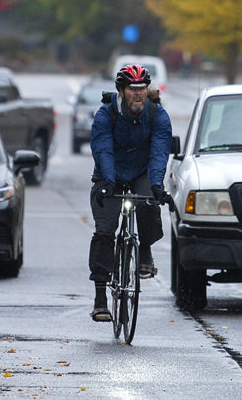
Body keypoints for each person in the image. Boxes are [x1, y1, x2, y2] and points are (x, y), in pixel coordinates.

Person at [88, 63, 173, 322]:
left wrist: (157, 184)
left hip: (142, 171)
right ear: (121, 91)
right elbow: (103, 150)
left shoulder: (157, 115)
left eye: (142, 88)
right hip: (109, 173)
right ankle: (101, 298)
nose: (138, 94)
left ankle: (145, 248)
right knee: (104, 232)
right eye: (132, 89)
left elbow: (159, 152)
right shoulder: (106, 115)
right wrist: (109, 181)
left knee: (149, 202)